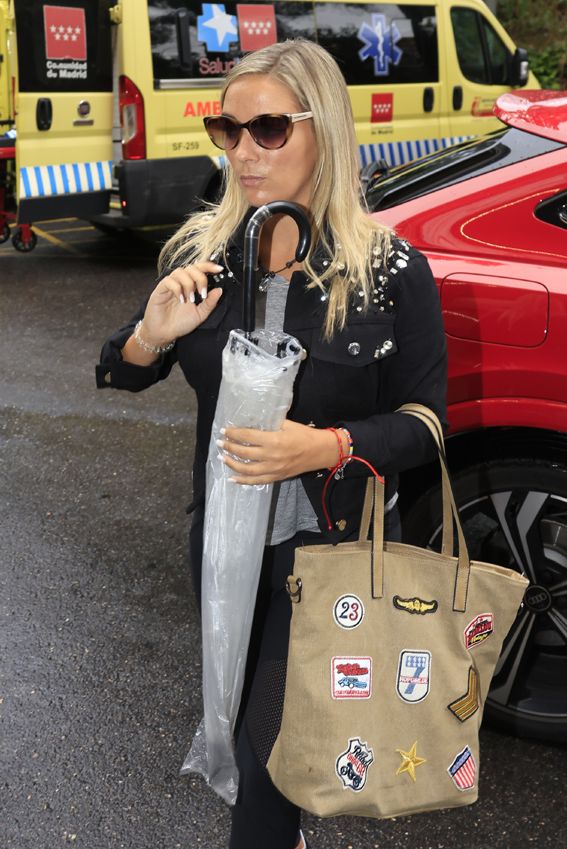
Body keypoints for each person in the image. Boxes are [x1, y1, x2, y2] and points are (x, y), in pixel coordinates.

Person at [96, 39, 447, 849]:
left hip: (326, 560)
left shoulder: (391, 272)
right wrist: (149, 335)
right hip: (220, 547)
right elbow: (121, 369)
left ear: (322, 129)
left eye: (268, 130)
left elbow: (427, 427)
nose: (244, 152)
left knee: (263, 760)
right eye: (228, 130)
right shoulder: (200, 252)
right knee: (253, 736)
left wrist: (323, 446)